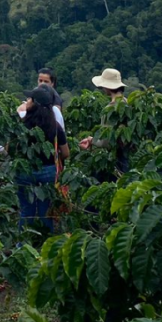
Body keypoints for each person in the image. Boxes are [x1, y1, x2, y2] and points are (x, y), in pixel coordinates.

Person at [17, 86, 69, 231]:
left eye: (29, 99)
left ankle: (23, 244)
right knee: (45, 212)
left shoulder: (22, 124)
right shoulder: (55, 126)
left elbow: (10, 148)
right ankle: (45, 244)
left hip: (25, 170)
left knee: (26, 211)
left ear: (34, 103)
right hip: (48, 171)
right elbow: (65, 153)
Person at [79, 67, 132, 176]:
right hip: (129, 154)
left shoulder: (109, 109)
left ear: (107, 87)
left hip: (116, 158)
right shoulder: (128, 103)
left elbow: (105, 142)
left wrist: (91, 140)